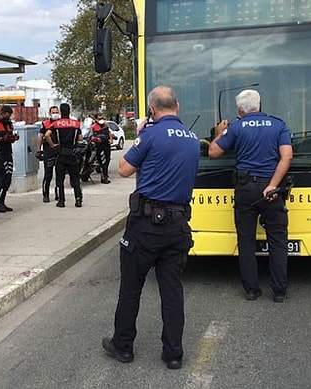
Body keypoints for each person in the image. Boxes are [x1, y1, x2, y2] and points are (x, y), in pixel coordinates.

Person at [102, 86, 199, 370]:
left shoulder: (151, 135)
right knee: (172, 290)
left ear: (152, 110)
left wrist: (142, 134)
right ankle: (173, 353)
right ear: (177, 106)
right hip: (179, 224)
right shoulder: (192, 139)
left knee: (131, 288)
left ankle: (123, 346)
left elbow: (123, 169)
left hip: (146, 226)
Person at [209, 89, 293, 303]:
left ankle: (251, 290)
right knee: (277, 240)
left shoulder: (236, 127)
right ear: (260, 105)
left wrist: (220, 132)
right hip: (271, 190)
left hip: (245, 189)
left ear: (240, 110)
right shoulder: (278, 125)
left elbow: (213, 152)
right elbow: (286, 157)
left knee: (246, 241)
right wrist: (273, 185)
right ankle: (279, 292)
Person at [44, 103, 83, 208]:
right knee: (75, 178)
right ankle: (78, 199)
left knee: (59, 179)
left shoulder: (56, 124)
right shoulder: (75, 124)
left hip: (60, 153)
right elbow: (80, 138)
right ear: (69, 111)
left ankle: (61, 201)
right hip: (72, 153)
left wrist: (53, 145)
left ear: (60, 112)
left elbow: (46, 135)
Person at [36, 106, 60, 202]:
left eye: (57, 112)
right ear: (50, 114)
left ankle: (58, 194)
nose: (55, 114)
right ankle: (45, 195)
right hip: (48, 151)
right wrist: (38, 150)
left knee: (59, 174)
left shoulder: (61, 123)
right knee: (48, 175)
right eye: (53, 112)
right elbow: (40, 137)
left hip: (59, 151)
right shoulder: (45, 124)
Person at [90, 113, 113, 184]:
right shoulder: (93, 126)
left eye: (102, 118)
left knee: (107, 159)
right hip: (99, 145)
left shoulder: (105, 125)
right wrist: (95, 139)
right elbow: (90, 135)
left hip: (106, 144)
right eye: (99, 118)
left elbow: (109, 132)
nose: (101, 120)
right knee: (102, 161)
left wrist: (111, 139)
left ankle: (105, 175)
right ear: (96, 119)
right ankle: (104, 177)